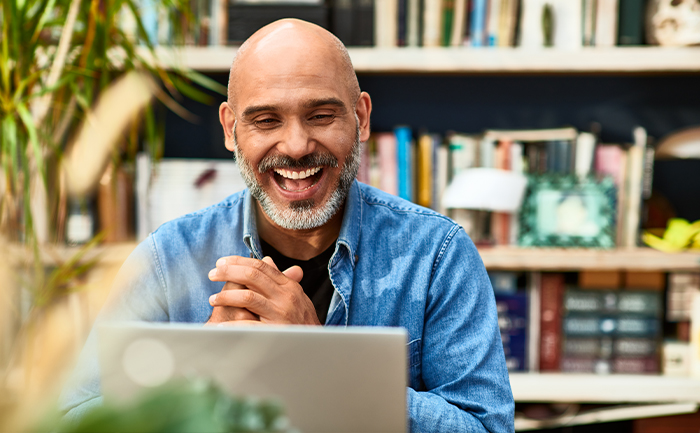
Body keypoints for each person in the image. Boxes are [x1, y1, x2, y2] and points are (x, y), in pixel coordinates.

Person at [60, 18, 514, 432]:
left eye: (320, 115)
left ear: (361, 118)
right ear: (230, 129)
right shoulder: (167, 258)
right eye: (266, 120)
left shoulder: (438, 254)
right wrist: (195, 376)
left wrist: (320, 363)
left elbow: (487, 429)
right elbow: (73, 420)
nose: (296, 146)